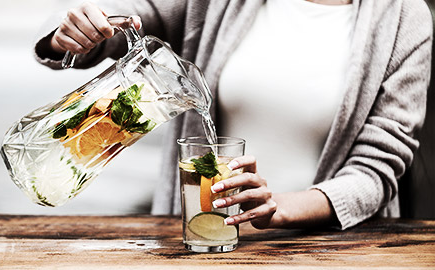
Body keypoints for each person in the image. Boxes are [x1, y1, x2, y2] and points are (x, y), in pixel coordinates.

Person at [34, 0, 433, 230]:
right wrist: (78, 31)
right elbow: (137, 15)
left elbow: (378, 170)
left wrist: (280, 207)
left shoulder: (404, 17)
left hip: (329, 250)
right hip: (202, 243)